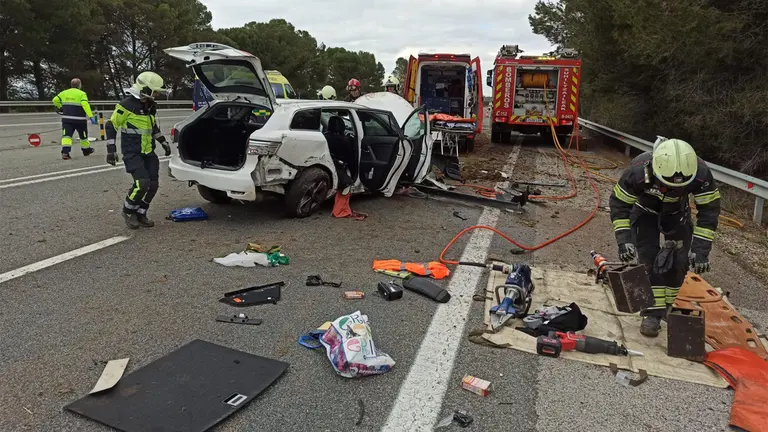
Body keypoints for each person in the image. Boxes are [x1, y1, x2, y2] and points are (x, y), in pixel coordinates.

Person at [609, 138, 721, 337]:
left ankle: (666, 307)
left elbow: (709, 213)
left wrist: (700, 251)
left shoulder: (700, 175)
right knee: (649, 260)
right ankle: (651, 314)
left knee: (679, 261)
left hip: (677, 215)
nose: (671, 189)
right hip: (644, 213)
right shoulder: (637, 171)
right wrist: (624, 240)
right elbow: (619, 205)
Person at [104, 71, 171, 229]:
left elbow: (152, 127)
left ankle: (141, 213)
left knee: (153, 185)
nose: (156, 95)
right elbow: (111, 125)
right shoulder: (126, 105)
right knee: (142, 183)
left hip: (148, 152)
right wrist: (111, 149)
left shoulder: (149, 106)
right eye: (155, 92)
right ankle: (128, 211)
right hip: (132, 152)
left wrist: (163, 142)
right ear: (145, 89)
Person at [52, 78, 94, 160]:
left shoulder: (64, 93)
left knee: (67, 136)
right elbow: (85, 104)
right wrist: (91, 116)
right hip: (80, 120)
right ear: (79, 85)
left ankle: (65, 152)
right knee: (83, 136)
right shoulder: (82, 93)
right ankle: (86, 150)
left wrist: (61, 107)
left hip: (67, 120)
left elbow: (55, 100)